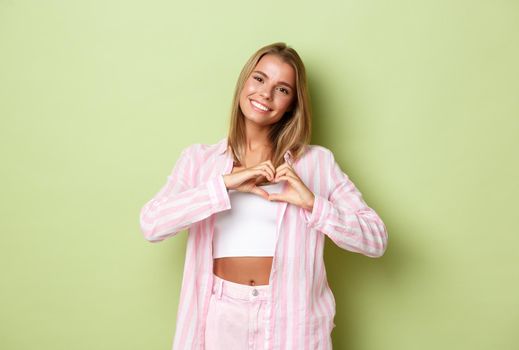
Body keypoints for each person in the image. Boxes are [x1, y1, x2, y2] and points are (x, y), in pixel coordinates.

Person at [139, 42, 388, 350]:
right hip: (220, 315)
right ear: (244, 82)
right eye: (259, 79)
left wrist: (313, 204)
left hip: (290, 318)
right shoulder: (199, 161)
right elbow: (152, 224)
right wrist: (224, 185)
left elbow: (376, 239)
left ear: (293, 105)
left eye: (282, 89)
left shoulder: (317, 164)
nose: (266, 94)